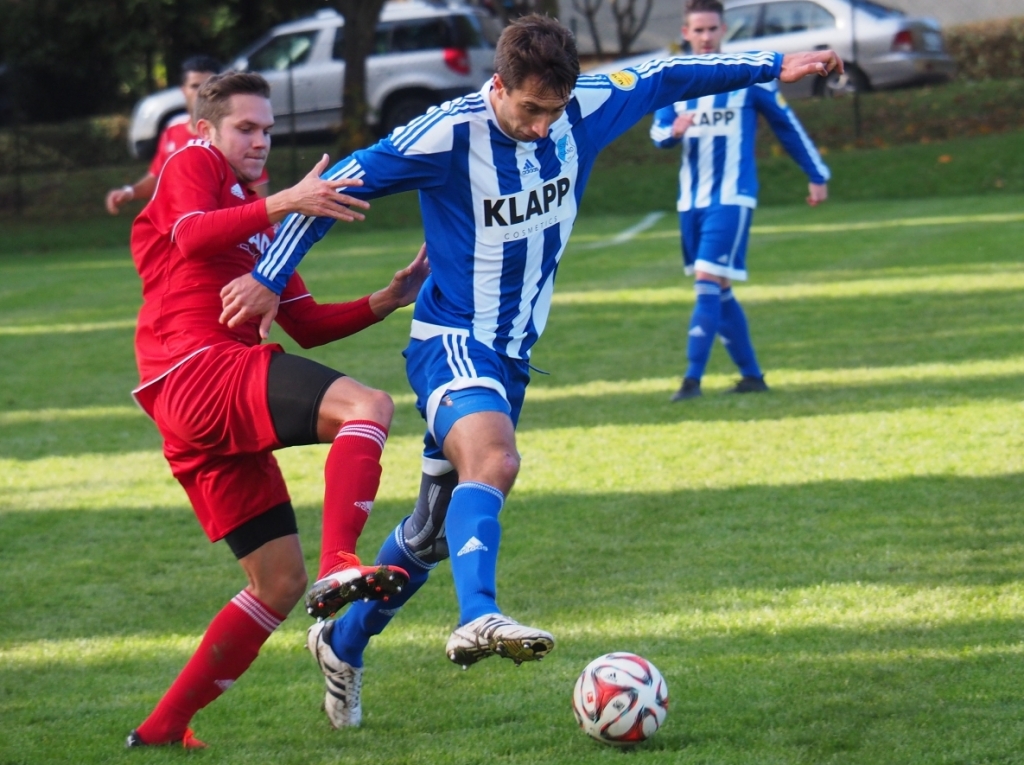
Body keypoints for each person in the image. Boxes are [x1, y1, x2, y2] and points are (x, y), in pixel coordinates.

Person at [217, 15, 842, 728]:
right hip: (453, 338)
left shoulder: (587, 107)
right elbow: (335, 185)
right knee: (496, 459)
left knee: (430, 534)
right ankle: (478, 616)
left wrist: (776, 64)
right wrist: (268, 276)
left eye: (556, 109)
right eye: (532, 109)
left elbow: (669, 75)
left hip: (512, 354)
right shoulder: (448, 134)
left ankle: (342, 642)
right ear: (499, 85)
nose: (545, 126)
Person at [124, 71, 429, 748]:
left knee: (278, 583)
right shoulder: (194, 162)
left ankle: (162, 728)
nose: (260, 141)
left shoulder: (261, 221)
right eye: (245, 128)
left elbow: (306, 323)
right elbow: (192, 236)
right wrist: (290, 201)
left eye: (267, 129)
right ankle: (341, 558)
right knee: (368, 405)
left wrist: (388, 298)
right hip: (199, 372)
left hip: (194, 404)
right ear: (206, 130)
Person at [652, 0, 831, 401]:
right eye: (698, 30)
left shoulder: (749, 76)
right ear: (686, 33)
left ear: (723, 30)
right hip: (690, 201)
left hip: (732, 197)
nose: (705, 37)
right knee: (719, 287)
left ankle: (691, 381)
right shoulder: (674, 80)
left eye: (712, 29)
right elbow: (659, 132)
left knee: (706, 280)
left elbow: (787, 126)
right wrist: (673, 132)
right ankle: (752, 377)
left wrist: (817, 174)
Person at [105, 56, 269, 215]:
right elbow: (158, 177)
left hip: (217, 230)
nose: (201, 93)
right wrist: (130, 192)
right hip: (177, 229)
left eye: (208, 86)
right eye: (195, 86)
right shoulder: (172, 132)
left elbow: (259, 205)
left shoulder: (233, 143)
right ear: (183, 90)